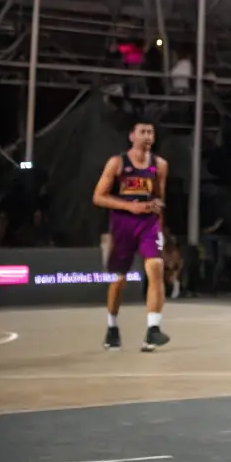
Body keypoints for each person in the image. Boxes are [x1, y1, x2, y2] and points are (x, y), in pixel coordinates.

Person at [90, 118, 170, 351]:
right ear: (131, 136)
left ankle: (153, 329)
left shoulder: (160, 165)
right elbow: (98, 197)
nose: (147, 136)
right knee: (119, 280)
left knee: (156, 267)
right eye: (142, 131)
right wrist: (129, 206)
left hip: (149, 223)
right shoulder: (117, 163)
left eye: (151, 132)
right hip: (123, 223)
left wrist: (160, 221)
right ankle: (112, 326)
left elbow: (159, 197)